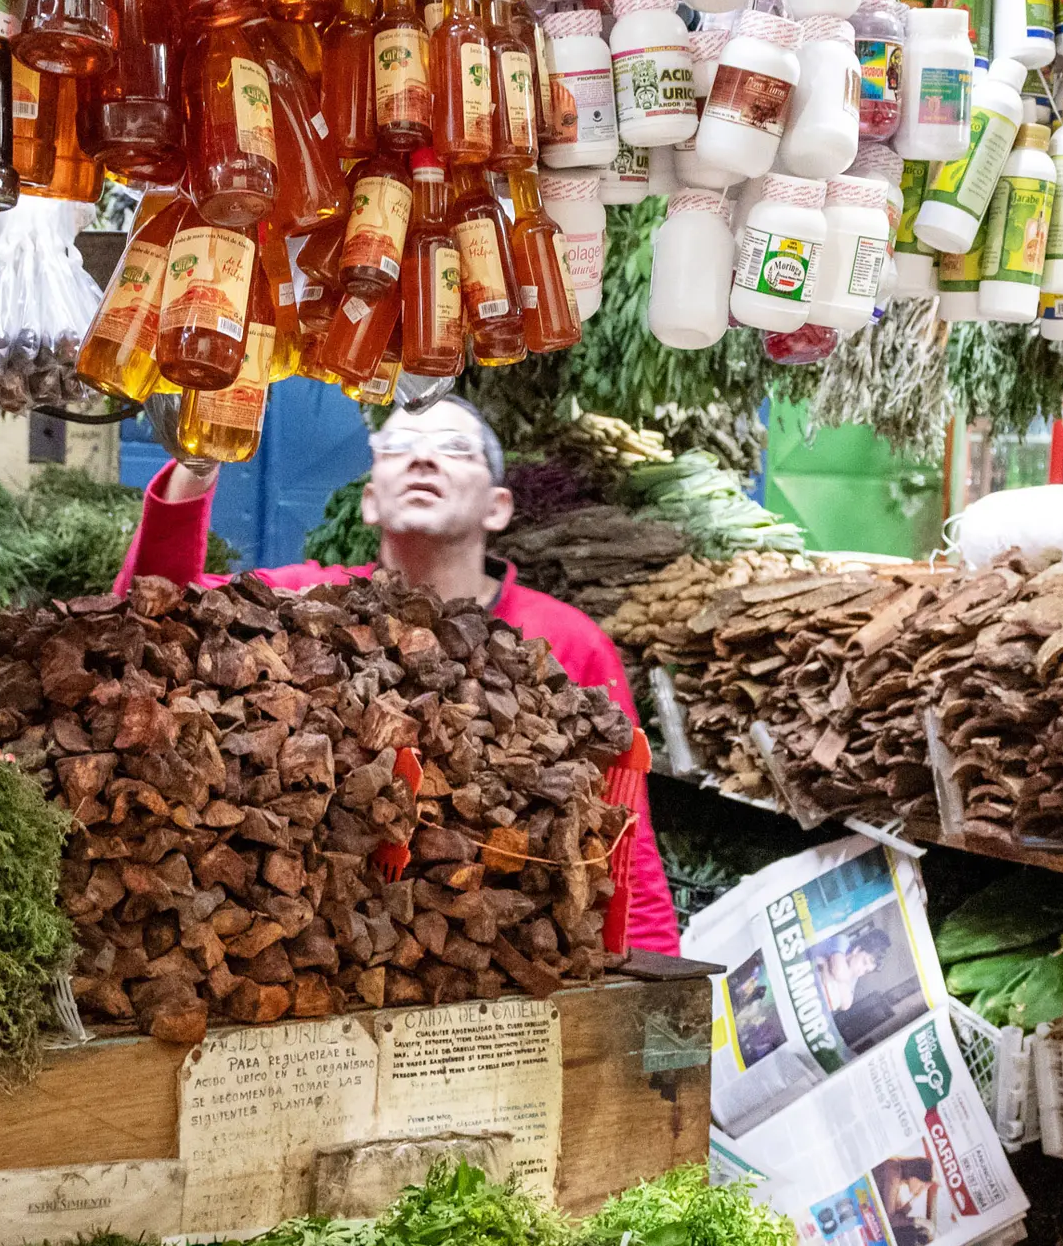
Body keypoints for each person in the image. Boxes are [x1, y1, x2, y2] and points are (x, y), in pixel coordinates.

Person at [116, 395, 683, 955]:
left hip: (500, 965)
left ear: (498, 506)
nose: (424, 459)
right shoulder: (307, 602)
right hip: (327, 955)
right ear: (369, 502)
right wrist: (197, 461)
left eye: (456, 448)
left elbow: (626, 839)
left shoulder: (569, 642)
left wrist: (661, 1014)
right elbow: (155, 613)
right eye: (400, 447)